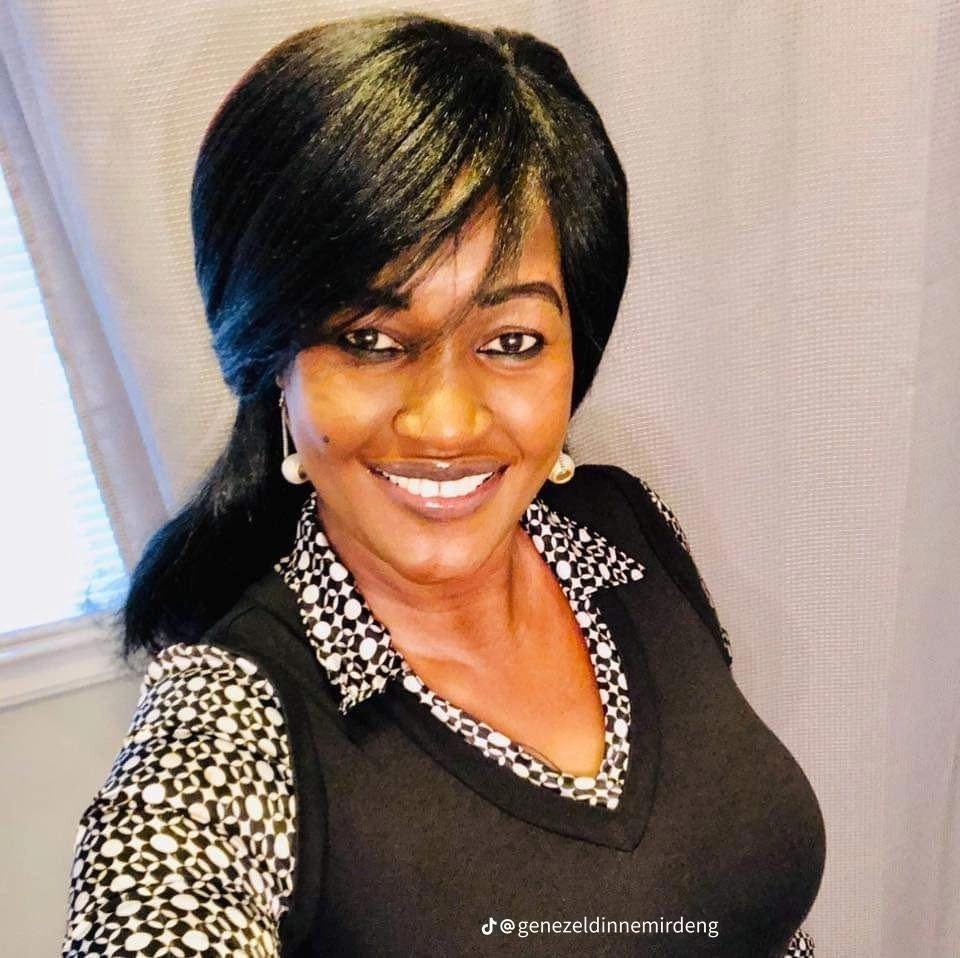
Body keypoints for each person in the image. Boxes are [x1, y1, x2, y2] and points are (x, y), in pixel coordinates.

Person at [60, 12, 824, 956]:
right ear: (275, 362)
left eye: (513, 341)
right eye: (370, 340)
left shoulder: (625, 530)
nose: (448, 424)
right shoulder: (229, 720)